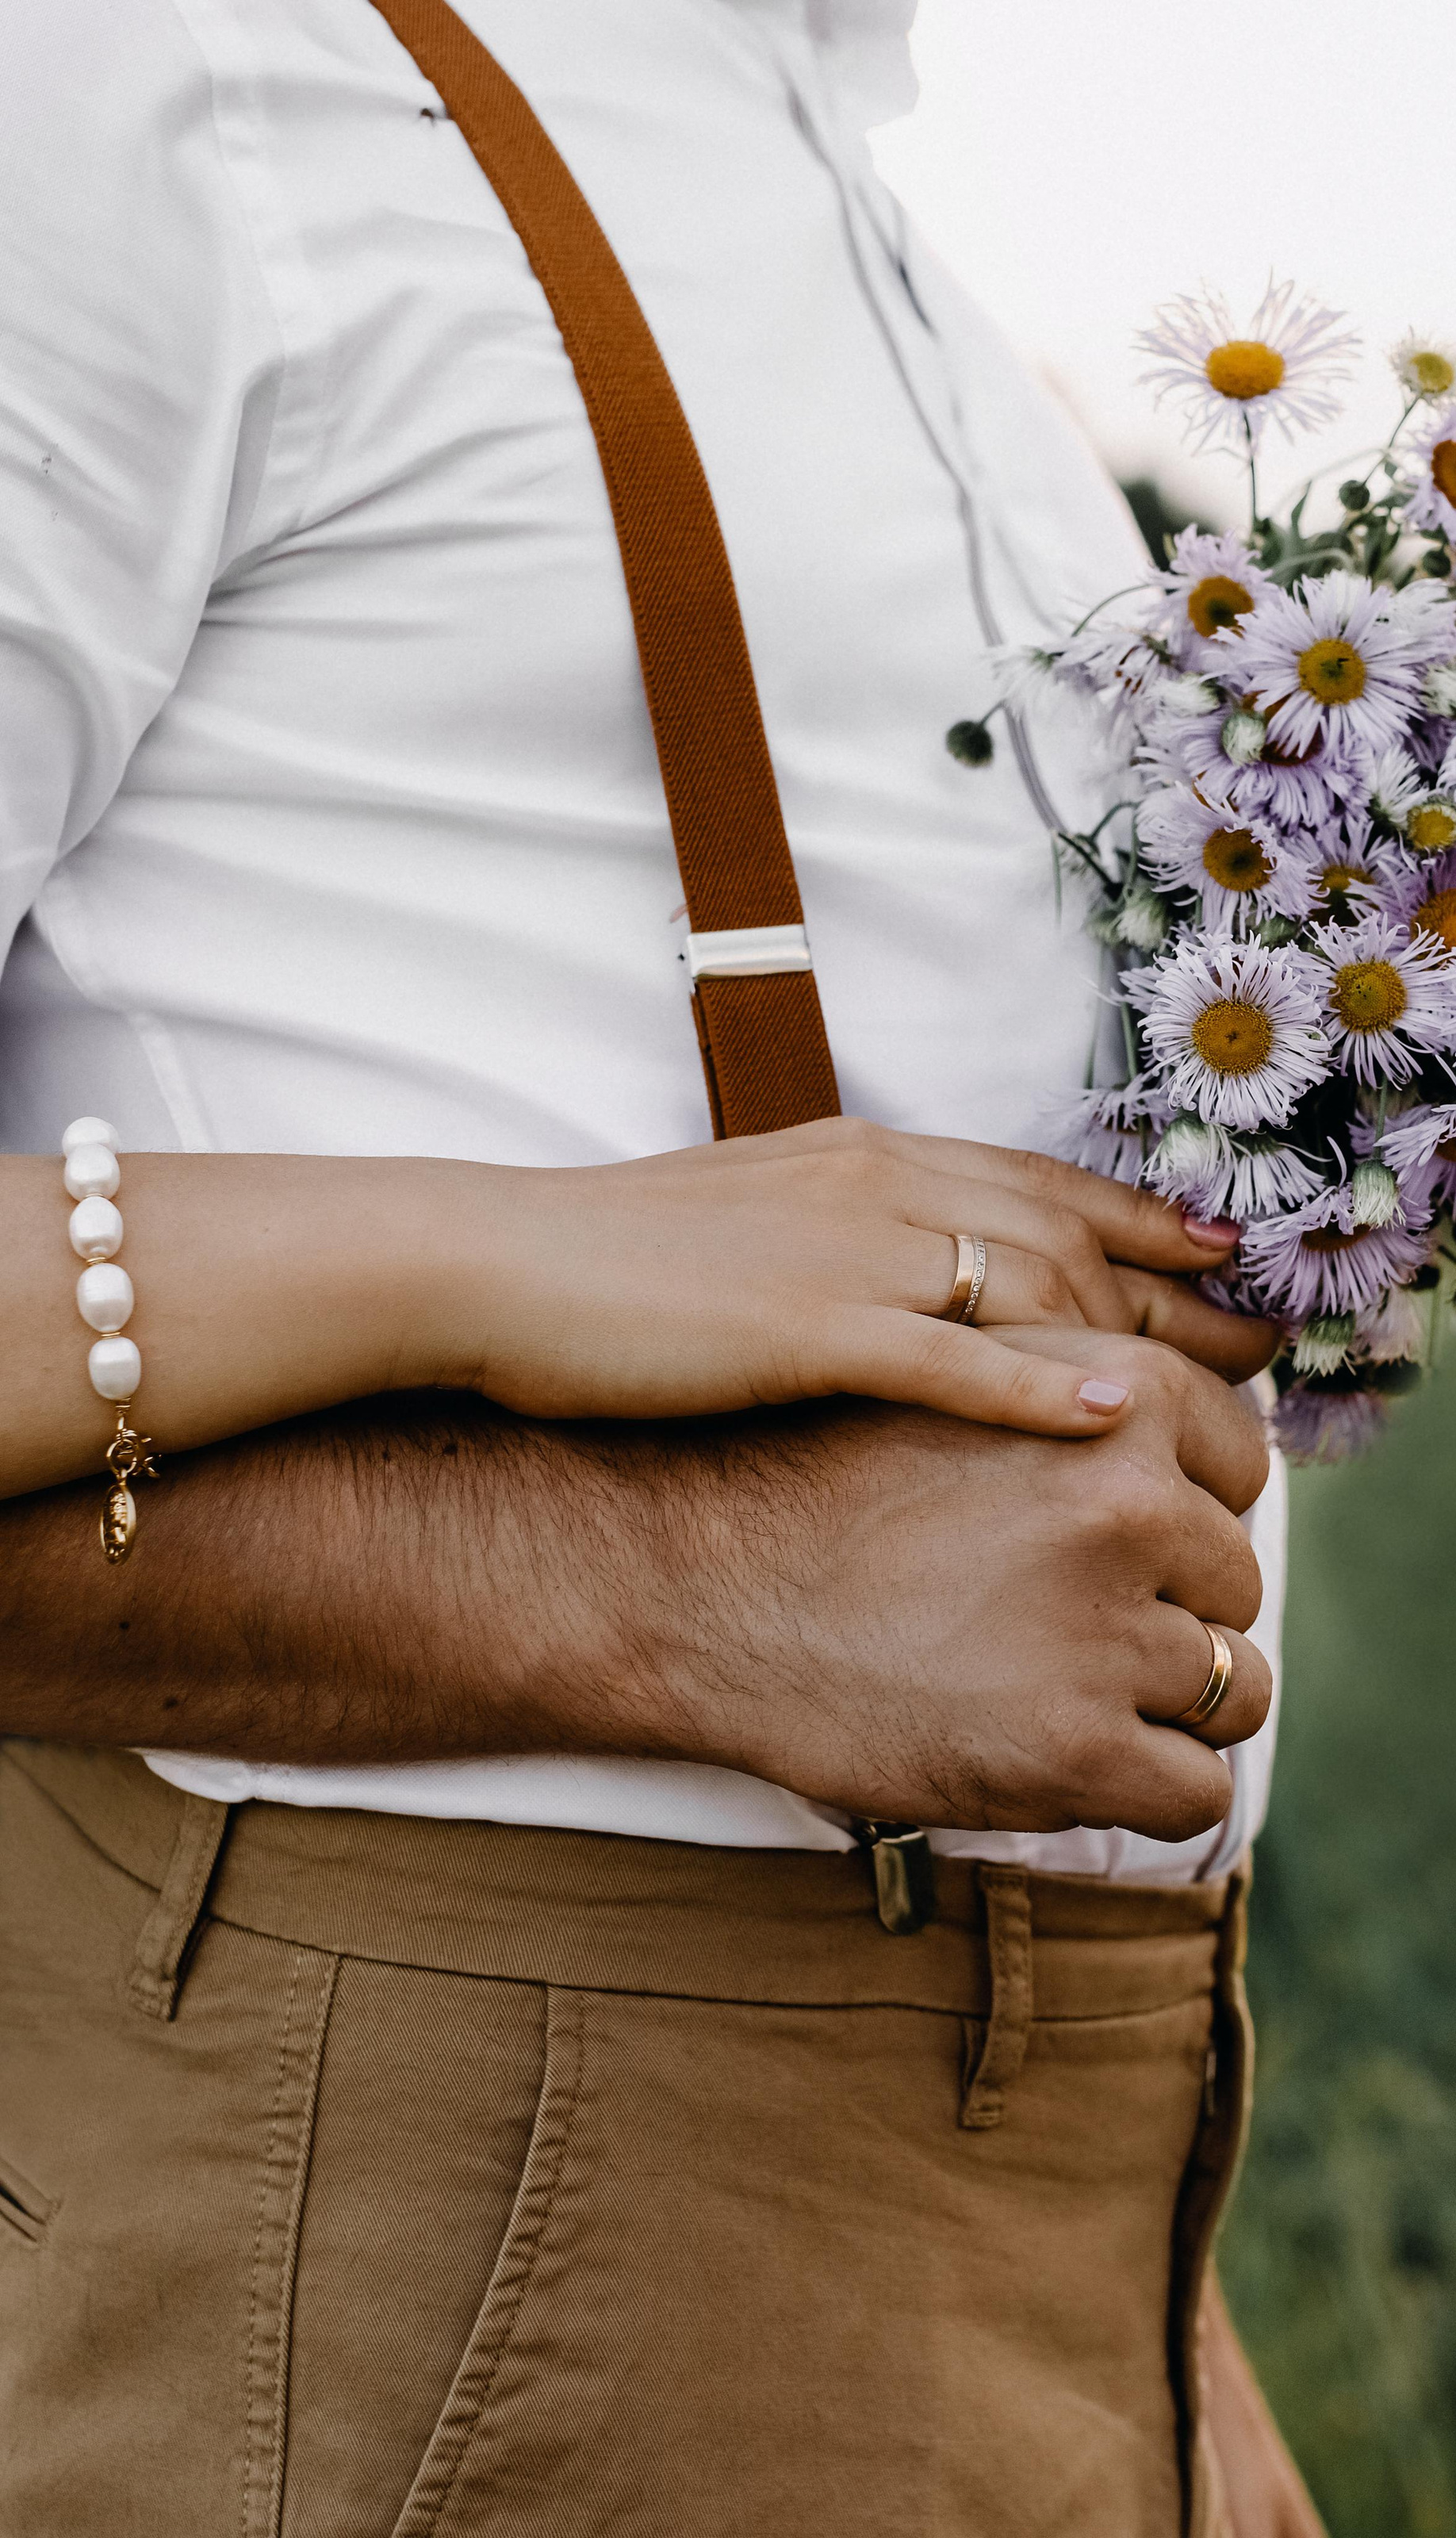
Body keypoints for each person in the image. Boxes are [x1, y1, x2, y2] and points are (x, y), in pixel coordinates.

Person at [0, 3, 1325, 2530]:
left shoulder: (859, 201)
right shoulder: (140, 82)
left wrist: (1156, 2310)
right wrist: (601, 1424)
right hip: (469, 2143)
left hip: (1077, 2176)